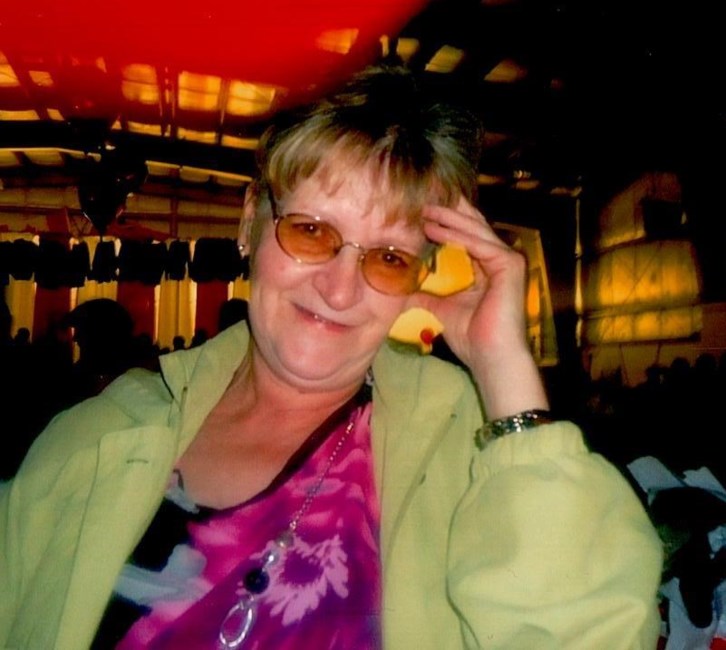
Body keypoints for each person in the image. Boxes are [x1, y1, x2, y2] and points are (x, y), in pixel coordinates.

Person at [0, 65, 662, 649]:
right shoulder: (98, 438)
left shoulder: (468, 451)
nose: (340, 290)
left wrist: (506, 373)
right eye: (312, 230)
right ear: (251, 220)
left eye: (389, 257)